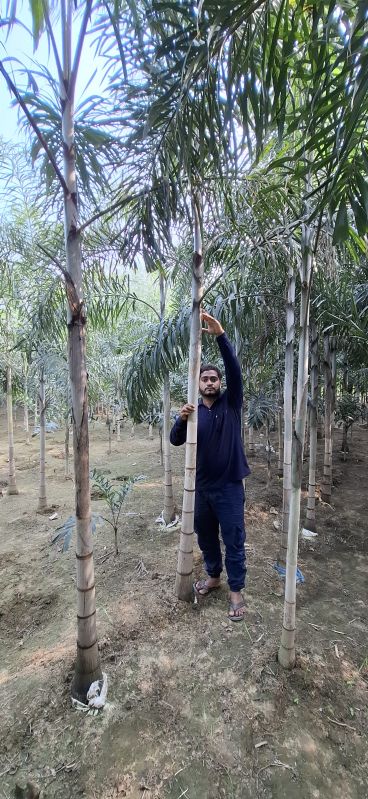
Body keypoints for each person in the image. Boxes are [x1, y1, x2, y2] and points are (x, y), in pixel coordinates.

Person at [170, 310, 251, 621]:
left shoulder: (231, 404)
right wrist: (181, 418)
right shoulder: (193, 413)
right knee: (206, 537)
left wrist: (221, 336)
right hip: (200, 489)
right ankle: (214, 577)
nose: (209, 382)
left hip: (230, 486)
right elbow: (175, 440)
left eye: (213, 378)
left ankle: (236, 591)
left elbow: (234, 370)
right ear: (198, 383)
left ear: (219, 383)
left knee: (233, 537)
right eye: (204, 378)